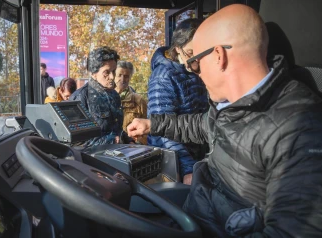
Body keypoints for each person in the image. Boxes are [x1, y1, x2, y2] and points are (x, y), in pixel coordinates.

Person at [127, 4, 322, 237]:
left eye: (195, 62)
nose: (194, 72)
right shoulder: (234, 104)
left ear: (219, 56)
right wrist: (153, 124)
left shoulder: (299, 128)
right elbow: (201, 125)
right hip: (195, 213)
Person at [147, 18, 209, 185]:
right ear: (177, 48)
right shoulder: (163, 76)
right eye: (190, 53)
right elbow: (163, 130)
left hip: (201, 159)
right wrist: (188, 169)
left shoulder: (196, 69)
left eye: (199, 54)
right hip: (177, 165)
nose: (194, 61)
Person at [69, 46, 123, 146]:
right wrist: (113, 140)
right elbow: (77, 142)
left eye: (114, 71)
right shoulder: (80, 98)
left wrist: (126, 138)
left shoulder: (114, 95)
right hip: (92, 159)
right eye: (106, 72)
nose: (112, 77)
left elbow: (117, 130)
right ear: (93, 73)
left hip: (116, 154)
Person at [114, 61, 147, 144]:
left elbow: (146, 131)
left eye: (126, 76)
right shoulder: (104, 99)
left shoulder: (139, 101)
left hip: (132, 147)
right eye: (119, 75)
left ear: (130, 77)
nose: (122, 79)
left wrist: (137, 144)